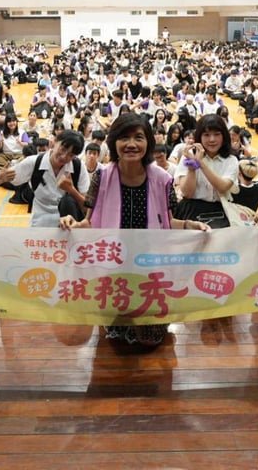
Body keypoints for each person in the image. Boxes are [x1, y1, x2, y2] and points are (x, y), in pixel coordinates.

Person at [62, 112, 209, 348]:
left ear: (148, 143)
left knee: (149, 337)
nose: (131, 144)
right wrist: (72, 223)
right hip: (114, 260)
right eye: (124, 138)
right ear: (114, 143)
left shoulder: (163, 178)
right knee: (117, 328)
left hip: (150, 262)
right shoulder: (102, 176)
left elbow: (168, 221)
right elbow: (89, 222)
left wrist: (190, 225)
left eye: (138, 138)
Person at [0, 129, 88, 227]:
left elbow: (87, 207)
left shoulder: (78, 167)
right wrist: (0, 177)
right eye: (63, 149)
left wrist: (71, 190)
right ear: (54, 142)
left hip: (69, 226)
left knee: (67, 201)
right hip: (40, 223)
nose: (64, 156)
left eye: (71, 155)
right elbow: (2, 179)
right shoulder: (33, 162)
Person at [174, 114, 239, 229]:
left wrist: (201, 163)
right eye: (206, 135)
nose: (212, 139)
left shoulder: (231, 160)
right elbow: (187, 193)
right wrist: (192, 168)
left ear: (224, 136)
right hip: (191, 210)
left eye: (217, 134)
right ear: (199, 136)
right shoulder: (188, 156)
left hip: (220, 211)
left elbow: (222, 187)